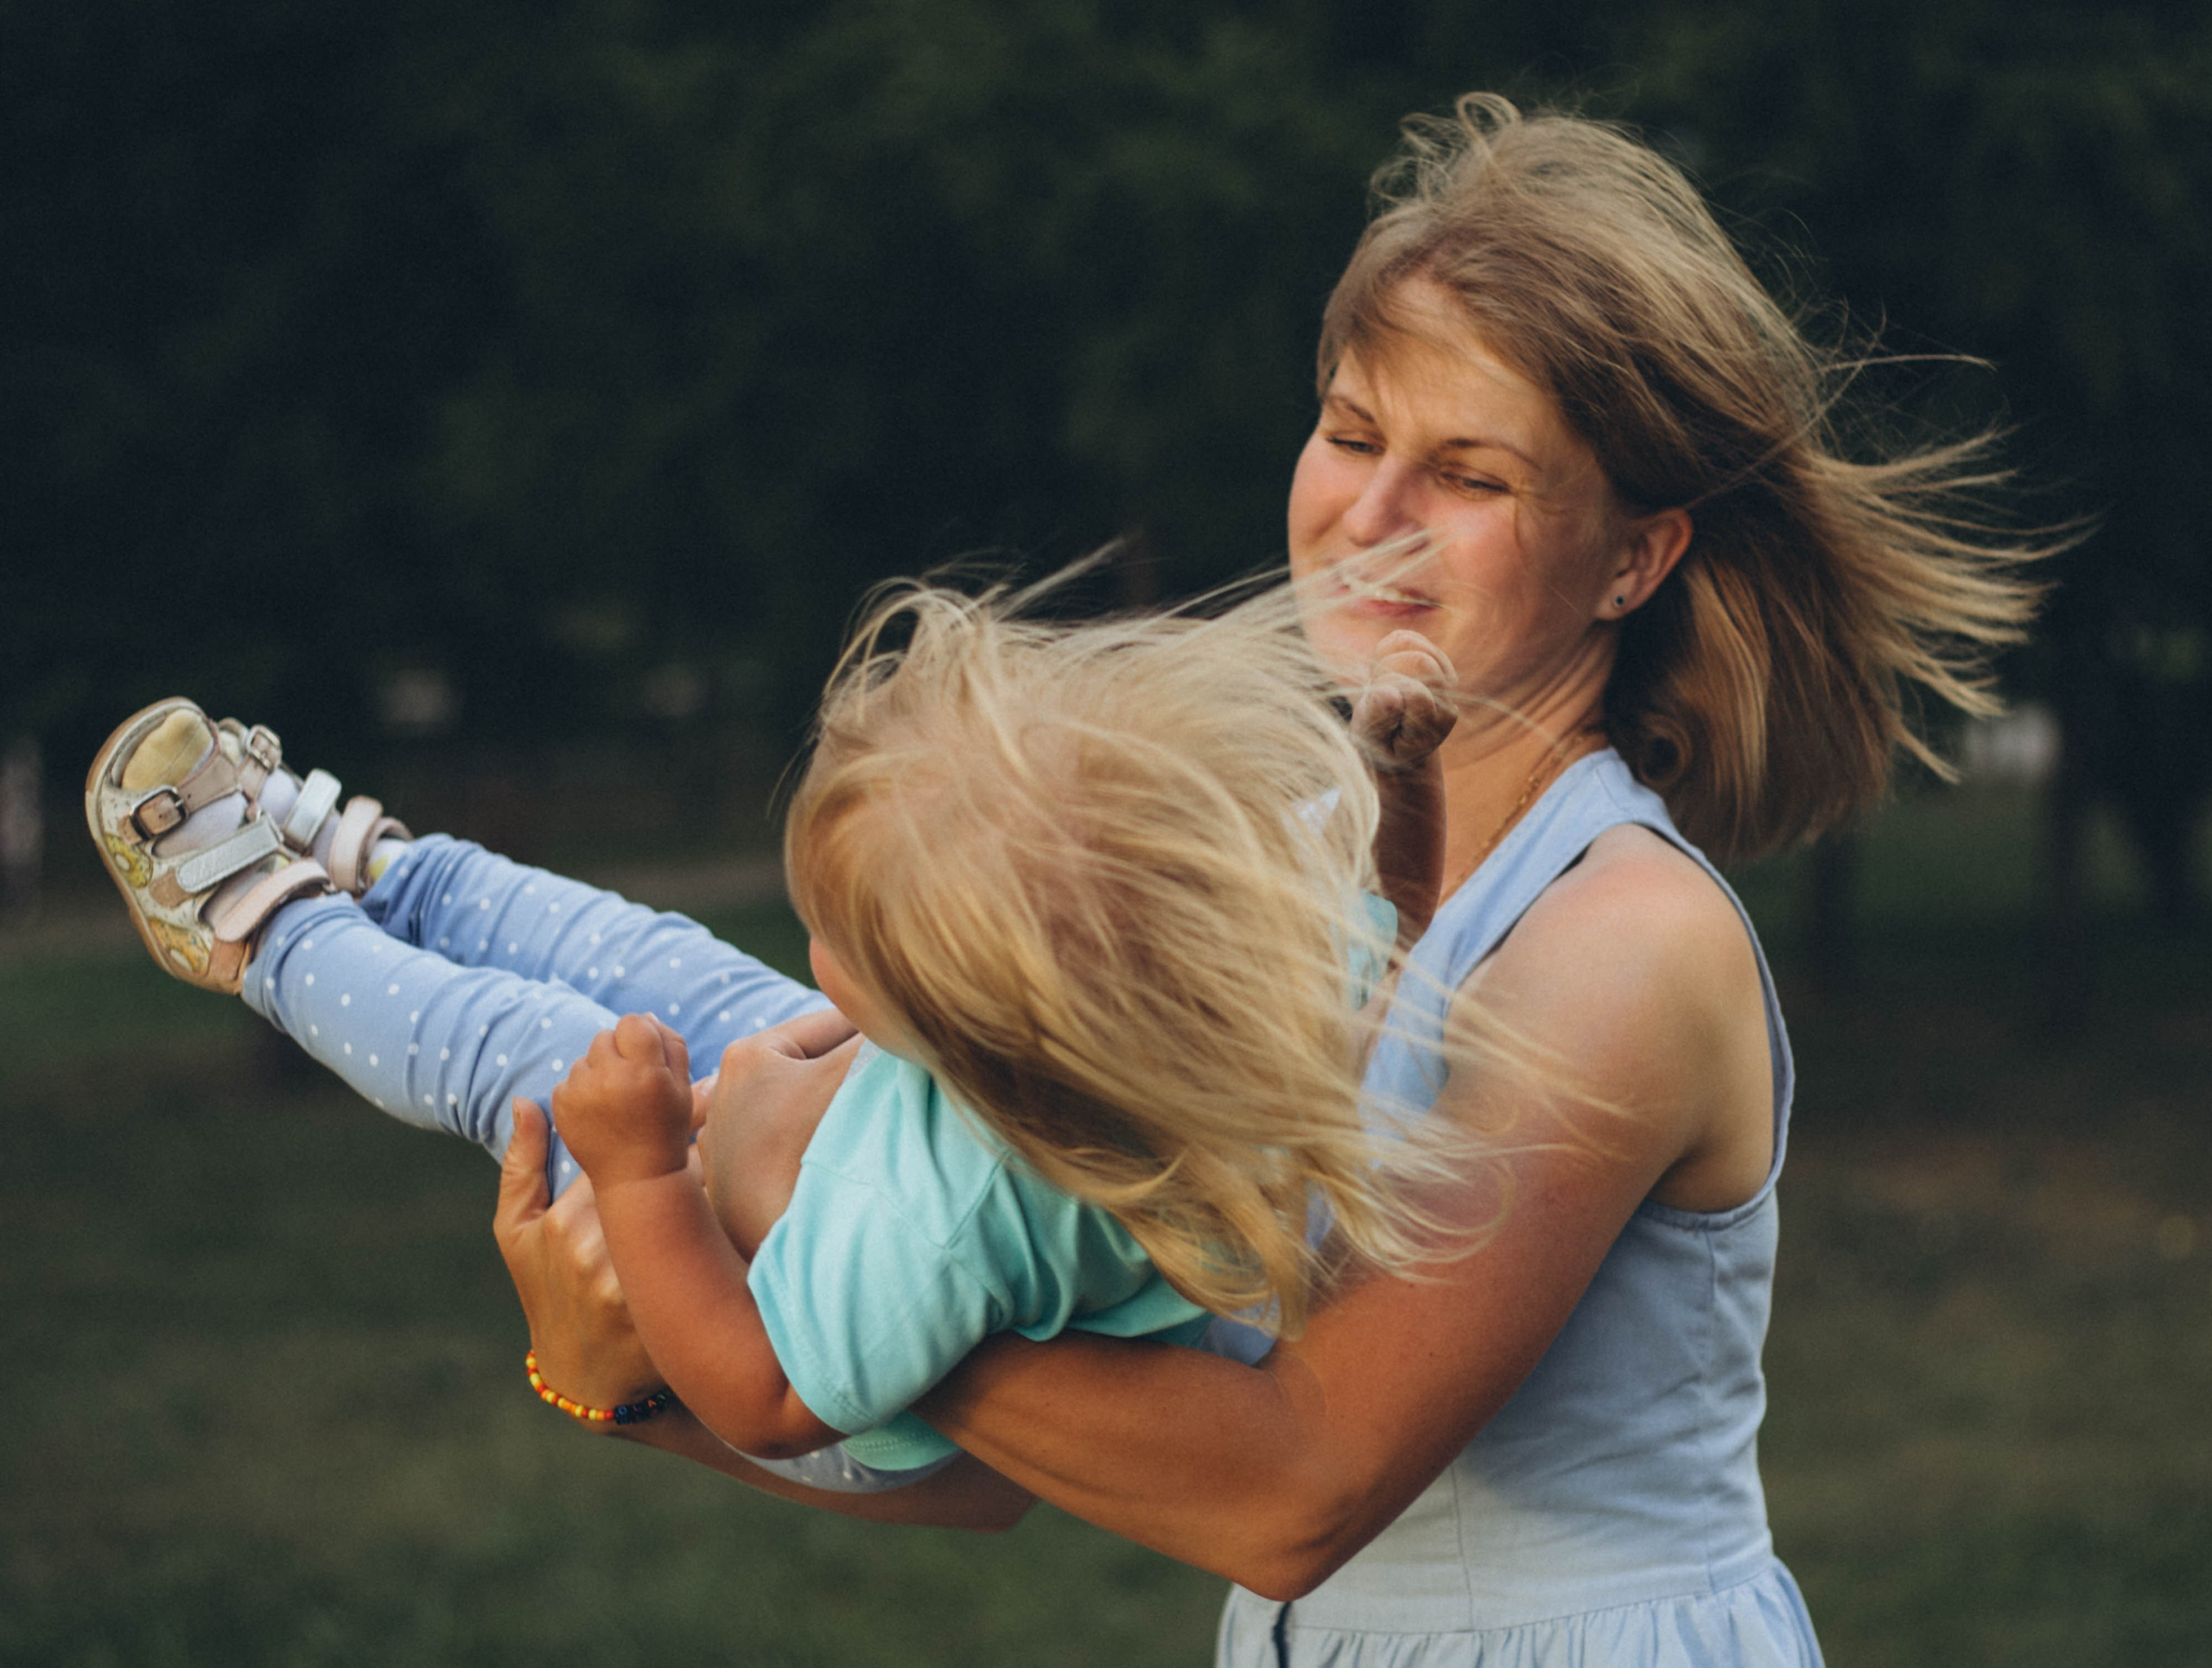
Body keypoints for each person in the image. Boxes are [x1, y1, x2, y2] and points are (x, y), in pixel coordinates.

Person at [505, 94, 2047, 1665]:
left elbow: (1290, 1488)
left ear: (1636, 558)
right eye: (1355, 431)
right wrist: (634, 1376)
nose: (1371, 516)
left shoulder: (1620, 940)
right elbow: (1020, 1460)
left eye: (1473, 474)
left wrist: (770, 1201)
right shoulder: (1273, 874)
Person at [85, 576, 1464, 1485]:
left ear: (967, 1022)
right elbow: (1385, 923)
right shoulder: (1214, 991)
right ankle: (396, 871)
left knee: (536, 1050)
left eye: (844, 936)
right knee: (648, 957)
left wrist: (636, 1173)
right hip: (852, 1105)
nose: (814, 938)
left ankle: (262, 932)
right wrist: (1399, 780)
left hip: (769, 1283)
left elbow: (763, 1392)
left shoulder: (925, 1223)